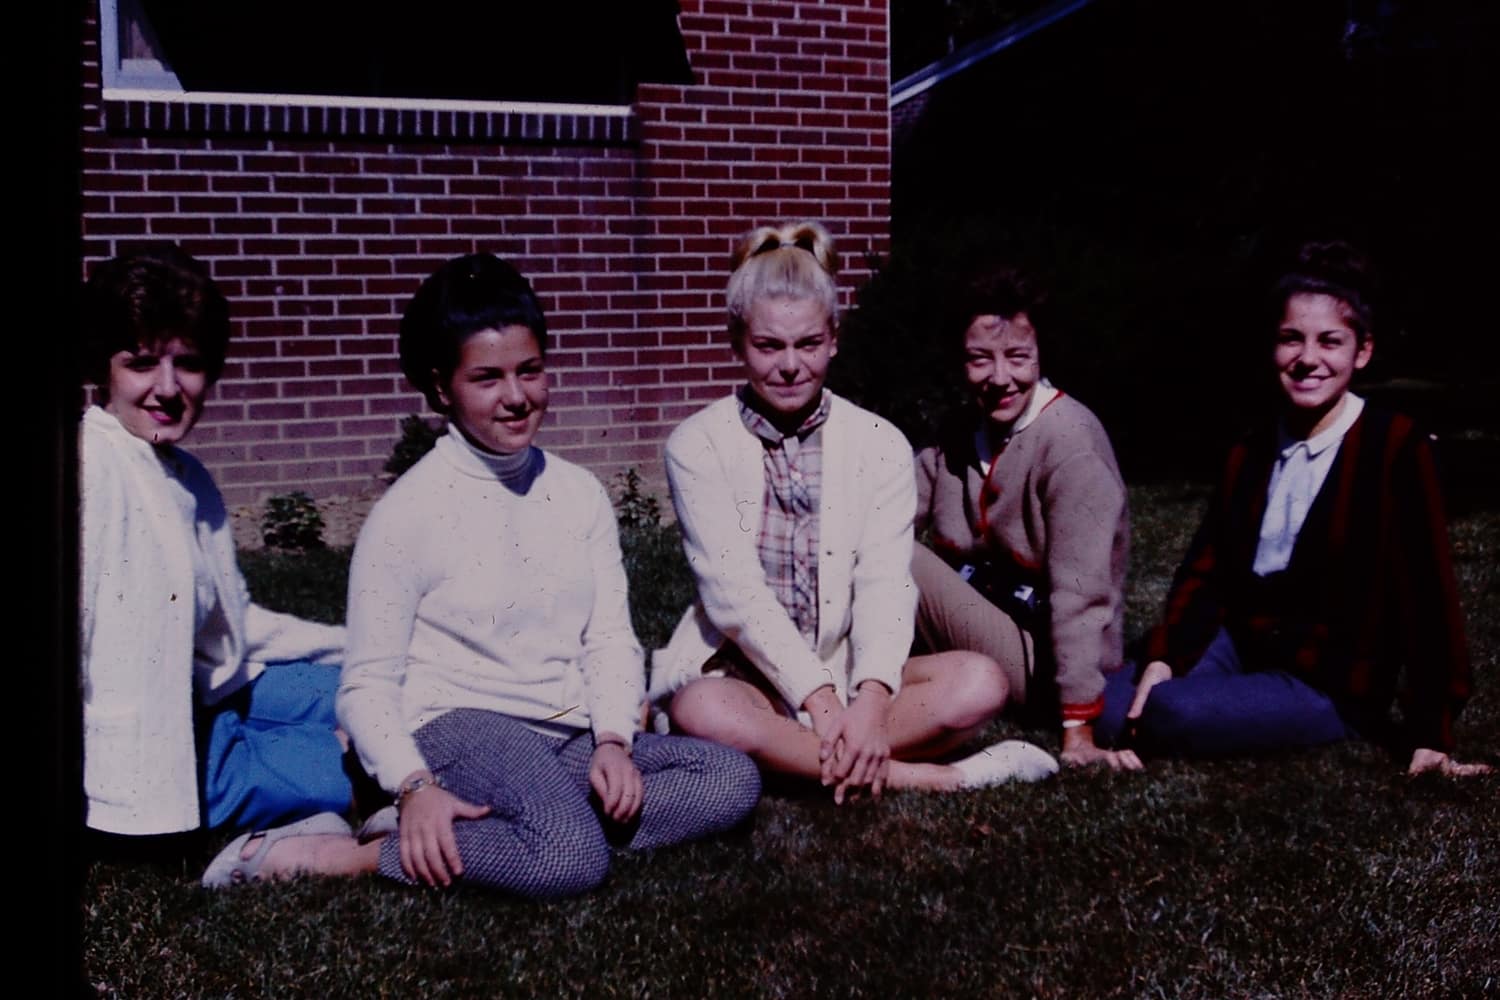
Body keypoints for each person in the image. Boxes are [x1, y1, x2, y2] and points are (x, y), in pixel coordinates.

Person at [203, 253, 762, 893]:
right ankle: (347, 853)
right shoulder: (406, 515)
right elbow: (365, 686)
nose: (517, 397)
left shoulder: (579, 495)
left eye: (530, 371)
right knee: (571, 860)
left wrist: (611, 740)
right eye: (487, 378)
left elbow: (609, 639)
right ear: (442, 388)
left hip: (566, 731)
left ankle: (508, 830)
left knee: (731, 781)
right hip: (456, 725)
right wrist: (412, 784)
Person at [653, 221, 1058, 804]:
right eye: (769, 346)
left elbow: (884, 582)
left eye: (808, 344)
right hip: (743, 675)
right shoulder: (696, 445)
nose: (790, 365)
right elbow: (733, 595)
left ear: (834, 338)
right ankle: (927, 776)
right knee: (701, 707)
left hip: (845, 670)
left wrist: (868, 700)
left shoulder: (879, 442)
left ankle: (797, 755)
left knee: (980, 681)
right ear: (736, 340)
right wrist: (820, 702)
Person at [1101, 241, 1490, 777]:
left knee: (1168, 710)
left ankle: (1239, 709)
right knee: (1110, 707)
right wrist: (1167, 656)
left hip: (1328, 677)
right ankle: (1208, 698)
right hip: (1243, 642)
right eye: (1291, 340)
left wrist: (1431, 731)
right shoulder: (1253, 446)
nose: (1308, 359)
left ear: (1363, 351)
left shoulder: (1394, 446)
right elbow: (1206, 568)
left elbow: (1428, 592)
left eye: (1331, 342)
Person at [80, 245, 354, 855]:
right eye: (142, 362)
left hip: (214, 699)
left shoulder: (186, 475)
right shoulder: (90, 467)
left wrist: (352, 646)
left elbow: (234, 626)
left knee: (374, 688)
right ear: (105, 367)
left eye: (191, 364)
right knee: (368, 758)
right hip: (158, 759)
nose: (168, 388)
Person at [909, 263, 1139, 771]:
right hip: (984, 618)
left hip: (1046, 659)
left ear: (1040, 355)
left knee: (894, 554)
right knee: (872, 533)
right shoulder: (960, 431)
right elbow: (898, 504)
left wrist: (1078, 728)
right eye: (979, 360)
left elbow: (1082, 596)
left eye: (1017, 357)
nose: (999, 378)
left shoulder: (1070, 441)